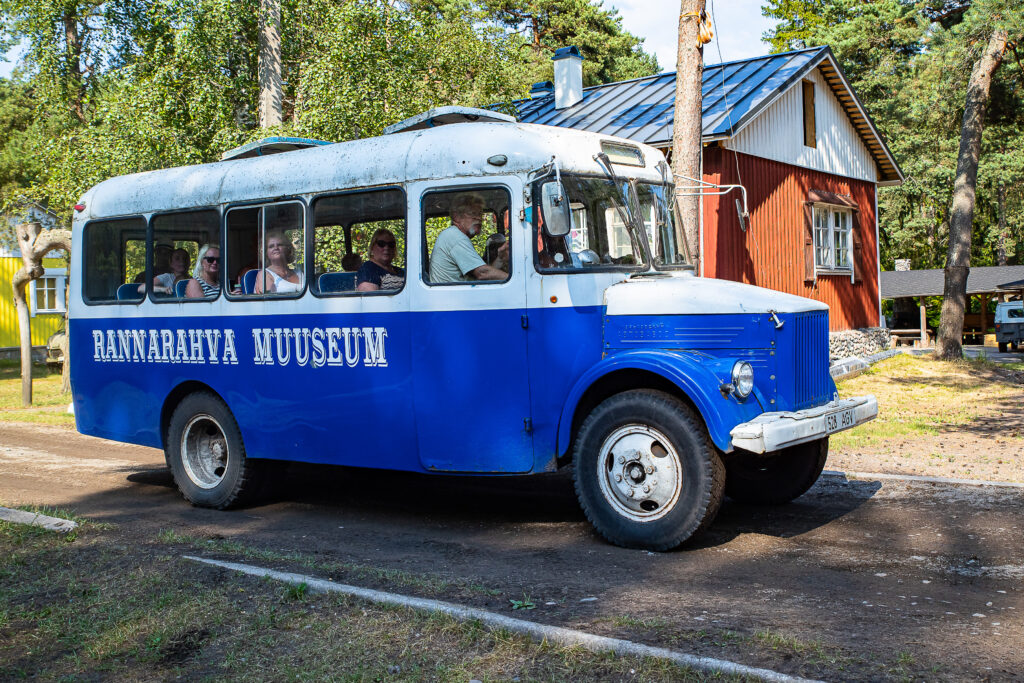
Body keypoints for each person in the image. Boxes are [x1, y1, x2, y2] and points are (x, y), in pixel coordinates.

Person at [429, 194, 508, 283]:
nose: (478, 218)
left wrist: (500, 258)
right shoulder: (455, 236)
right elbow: (483, 273)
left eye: (480, 214)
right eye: (473, 213)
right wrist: (514, 279)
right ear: (457, 217)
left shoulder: (455, 235)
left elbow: (482, 276)